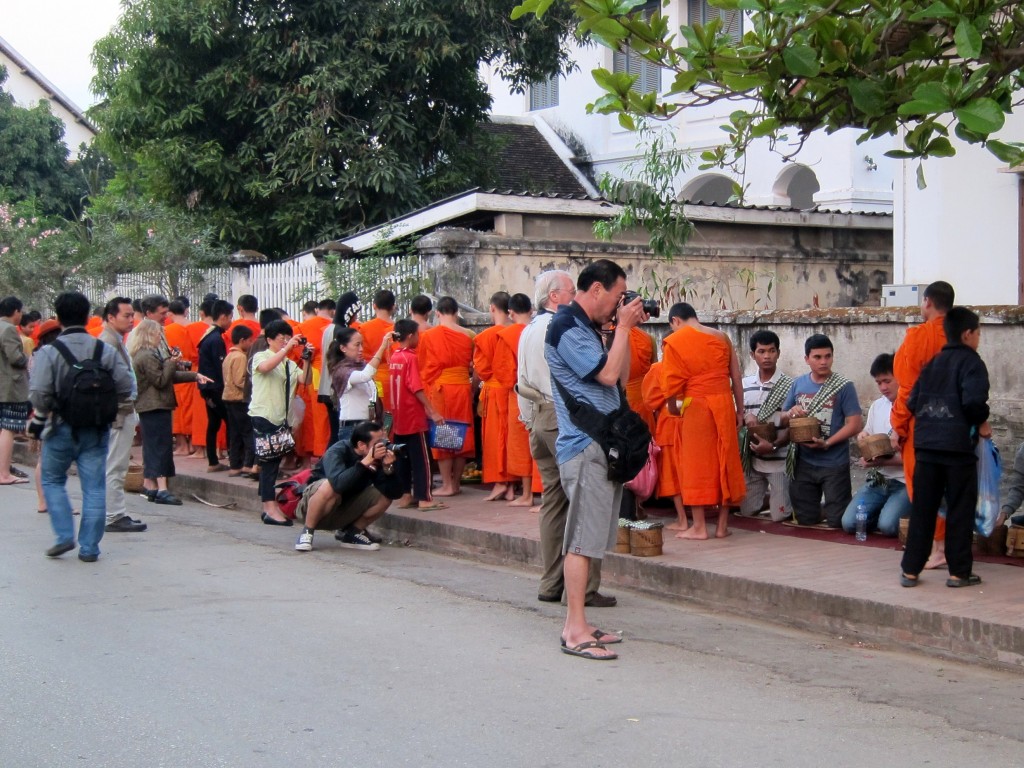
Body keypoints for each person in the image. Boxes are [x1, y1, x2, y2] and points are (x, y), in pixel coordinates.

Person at [546, 259, 648, 660]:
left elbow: (617, 377)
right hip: (584, 445)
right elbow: (605, 378)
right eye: (617, 295)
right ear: (595, 290)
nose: (619, 303)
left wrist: (619, 332)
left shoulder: (588, 328)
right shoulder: (566, 327)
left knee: (593, 541)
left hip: (602, 444)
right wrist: (621, 327)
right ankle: (573, 629)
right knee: (580, 540)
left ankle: (582, 621)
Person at [518, 270, 612, 607]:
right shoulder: (564, 327)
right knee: (586, 502)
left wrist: (529, 421)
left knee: (553, 504)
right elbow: (599, 376)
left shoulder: (528, 329)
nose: (577, 297)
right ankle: (584, 589)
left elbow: (520, 379)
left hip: (538, 418)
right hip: (567, 418)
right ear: (555, 296)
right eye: (573, 291)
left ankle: (550, 582)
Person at [27, 292, 133, 562]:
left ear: (58, 317)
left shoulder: (50, 352)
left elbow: (39, 394)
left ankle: (64, 536)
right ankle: (89, 547)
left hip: (60, 426)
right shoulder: (103, 350)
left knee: (52, 480)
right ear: (88, 317)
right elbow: (126, 386)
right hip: (96, 428)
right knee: (95, 487)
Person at [900, 307, 991, 589]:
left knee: (923, 510)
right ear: (967, 334)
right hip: (957, 448)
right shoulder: (972, 363)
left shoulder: (934, 363)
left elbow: (912, 402)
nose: (978, 338)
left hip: (926, 446)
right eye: (977, 332)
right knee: (960, 509)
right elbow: (974, 402)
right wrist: (982, 422)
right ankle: (959, 572)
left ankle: (911, 570)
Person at [661, 303, 746, 540]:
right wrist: (739, 411)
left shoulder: (676, 341)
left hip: (695, 406)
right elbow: (736, 378)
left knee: (694, 464)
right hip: (724, 404)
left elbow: (671, 388)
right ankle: (721, 527)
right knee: (725, 459)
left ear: (675, 321)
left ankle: (698, 527)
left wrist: (674, 414)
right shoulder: (722, 337)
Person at [891, 280, 955, 569]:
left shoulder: (919, 337)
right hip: (956, 423)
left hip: (923, 423)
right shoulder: (961, 335)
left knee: (925, 487)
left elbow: (907, 387)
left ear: (927, 302)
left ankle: (938, 547)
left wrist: (898, 426)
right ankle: (951, 547)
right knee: (954, 487)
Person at [781, 334, 863, 527]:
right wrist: (790, 413)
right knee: (805, 519)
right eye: (817, 357)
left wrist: (827, 443)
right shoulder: (798, 384)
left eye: (828, 356)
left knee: (837, 523)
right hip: (803, 461)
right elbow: (782, 417)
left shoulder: (844, 386)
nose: (823, 362)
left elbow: (855, 424)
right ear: (806, 359)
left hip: (834, 462)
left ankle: (836, 509)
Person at [131, 319, 209, 505]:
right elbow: (161, 380)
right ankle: (162, 487)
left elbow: (167, 376)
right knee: (160, 446)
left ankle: (151, 485)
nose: (161, 338)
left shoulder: (146, 354)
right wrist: (172, 362)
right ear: (150, 334)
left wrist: (193, 376)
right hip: (154, 405)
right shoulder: (147, 356)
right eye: (158, 334)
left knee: (153, 446)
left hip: (153, 405)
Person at [293, 421, 403, 551]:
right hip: (314, 509)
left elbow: (395, 494)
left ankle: (353, 533)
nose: (383, 446)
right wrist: (365, 462)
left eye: (384, 441)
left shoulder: (377, 458)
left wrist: (388, 469)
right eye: (378, 443)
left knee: (384, 496)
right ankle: (307, 531)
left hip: (343, 511)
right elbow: (338, 484)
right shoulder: (337, 451)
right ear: (361, 445)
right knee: (329, 485)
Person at [249, 319, 312, 525]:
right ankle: (269, 507)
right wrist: (287, 349)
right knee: (269, 463)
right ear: (269, 340)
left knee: (273, 463)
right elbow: (266, 367)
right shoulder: (261, 356)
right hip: (264, 415)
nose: (286, 342)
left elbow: (307, 380)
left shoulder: (289, 363)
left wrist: (308, 359)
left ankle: (269, 506)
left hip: (280, 417)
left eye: (288, 338)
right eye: (282, 339)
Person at [841, 354, 910, 537]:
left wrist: (881, 462)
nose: (883, 388)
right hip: (879, 479)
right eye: (879, 383)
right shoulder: (877, 406)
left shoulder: (913, 407)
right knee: (849, 523)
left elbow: (914, 458)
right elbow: (867, 433)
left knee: (888, 527)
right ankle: (886, 511)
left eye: (887, 381)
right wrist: (863, 437)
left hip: (906, 482)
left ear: (900, 377)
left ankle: (897, 513)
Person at [418, 296, 476, 496]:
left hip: (441, 388)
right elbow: (472, 366)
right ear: (457, 312)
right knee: (462, 433)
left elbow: (423, 366)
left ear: (438, 313)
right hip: (462, 387)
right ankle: (457, 484)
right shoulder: (469, 336)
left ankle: (446, 485)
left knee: (443, 433)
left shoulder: (428, 335)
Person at [99, 297, 148, 532]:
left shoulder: (115, 340)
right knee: (115, 466)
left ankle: (113, 512)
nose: (131, 320)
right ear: (110, 317)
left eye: (132, 316)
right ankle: (113, 515)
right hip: (118, 411)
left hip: (123, 409)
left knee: (115, 464)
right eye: (126, 316)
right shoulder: (108, 342)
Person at [389, 319, 445, 510]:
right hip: (412, 415)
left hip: (398, 415)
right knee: (421, 459)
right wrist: (432, 410)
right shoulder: (410, 358)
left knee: (403, 457)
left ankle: (406, 495)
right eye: (418, 334)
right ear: (411, 335)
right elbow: (416, 387)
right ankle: (424, 498)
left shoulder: (394, 356)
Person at [739, 330, 793, 521]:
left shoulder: (790, 386)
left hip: (778, 461)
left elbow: (792, 427)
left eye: (771, 351)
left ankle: (783, 500)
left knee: (780, 516)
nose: (767, 356)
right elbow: (735, 417)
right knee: (746, 511)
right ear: (753, 355)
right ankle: (766, 499)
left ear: (778, 353)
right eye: (762, 351)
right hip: (751, 462)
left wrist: (774, 445)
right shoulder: (743, 385)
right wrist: (745, 416)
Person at [493, 292, 535, 507]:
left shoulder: (508, 335)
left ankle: (527, 494)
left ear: (510, 312)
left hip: (518, 394)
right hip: (542, 392)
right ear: (531, 309)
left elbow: (503, 372)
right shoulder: (540, 331)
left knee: (521, 444)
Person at [474, 291, 513, 501]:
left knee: (495, 438)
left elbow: (482, 370)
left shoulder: (485, 337)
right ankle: (510, 484)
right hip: (512, 393)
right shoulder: (518, 332)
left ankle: (500, 482)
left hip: (494, 390)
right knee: (510, 438)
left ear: (491, 308)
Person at [327, 326, 391, 446]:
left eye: (362, 344)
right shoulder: (341, 370)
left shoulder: (361, 366)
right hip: (352, 428)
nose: (361, 349)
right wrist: (382, 347)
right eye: (357, 345)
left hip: (369, 426)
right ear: (343, 348)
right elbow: (365, 375)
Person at [197, 299, 234, 472]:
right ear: (224, 316)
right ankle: (234, 460)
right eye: (230, 317)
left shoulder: (208, 335)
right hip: (215, 388)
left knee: (214, 423)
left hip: (207, 388)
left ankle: (213, 460)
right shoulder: (216, 339)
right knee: (230, 421)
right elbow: (221, 367)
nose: (231, 321)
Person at [0, 295, 30, 485]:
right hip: (11, 386)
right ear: (16, 312)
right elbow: (15, 358)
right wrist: (28, 360)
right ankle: (4, 473)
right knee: (9, 429)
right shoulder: (9, 329)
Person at [222, 325, 257, 478]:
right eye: (250, 340)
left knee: (235, 433)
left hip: (228, 398)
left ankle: (235, 465)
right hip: (239, 398)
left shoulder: (229, 356)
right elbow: (239, 380)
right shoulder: (240, 357)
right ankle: (248, 464)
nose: (251, 343)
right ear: (242, 340)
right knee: (248, 432)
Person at [165, 298, 197, 457]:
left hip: (176, 373)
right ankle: (192, 444)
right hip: (193, 373)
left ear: (170, 313)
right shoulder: (194, 327)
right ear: (186, 311)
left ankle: (182, 445)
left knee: (178, 411)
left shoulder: (167, 330)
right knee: (191, 409)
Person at [359, 289, 397, 412]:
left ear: (374, 305)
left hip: (374, 377)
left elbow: (361, 356)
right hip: (397, 377)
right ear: (393, 307)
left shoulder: (364, 328)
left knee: (378, 415)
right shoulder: (398, 329)